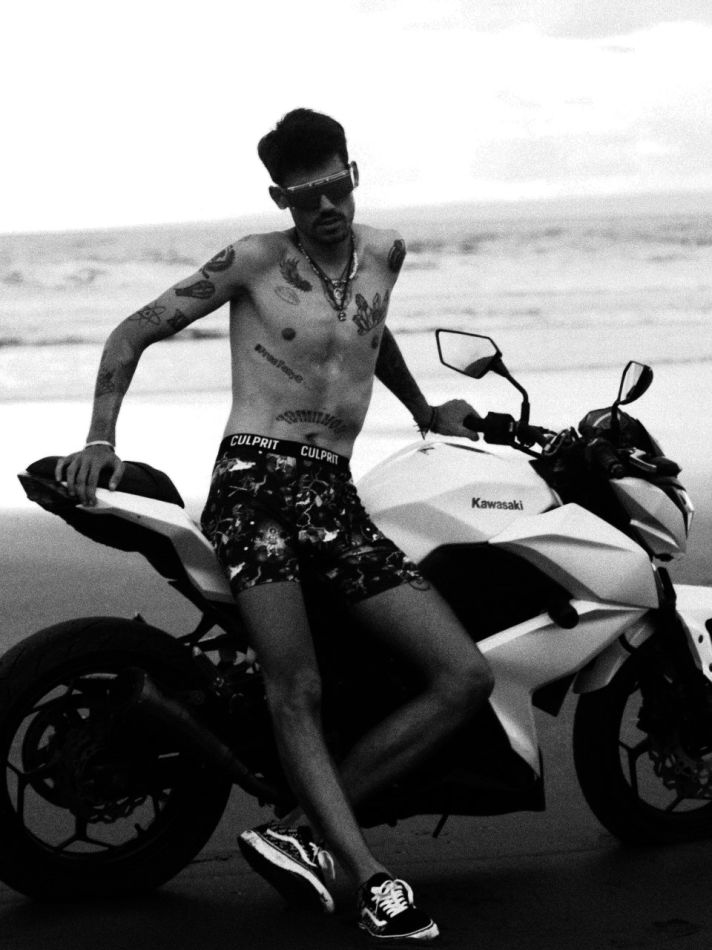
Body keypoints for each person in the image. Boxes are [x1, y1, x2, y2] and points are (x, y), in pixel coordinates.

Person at [56, 108, 494, 943]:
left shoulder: (387, 253)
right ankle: (370, 879)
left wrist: (423, 410)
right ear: (280, 198)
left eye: (335, 188)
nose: (325, 208)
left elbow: (368, 334)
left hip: (334, 494)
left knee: (463, 677)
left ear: (352, 176)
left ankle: (295, 832)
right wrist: (102, 438)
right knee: (297, 687)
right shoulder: (255, 260)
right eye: (304, 196)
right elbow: (134, 329)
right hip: (253, 484)